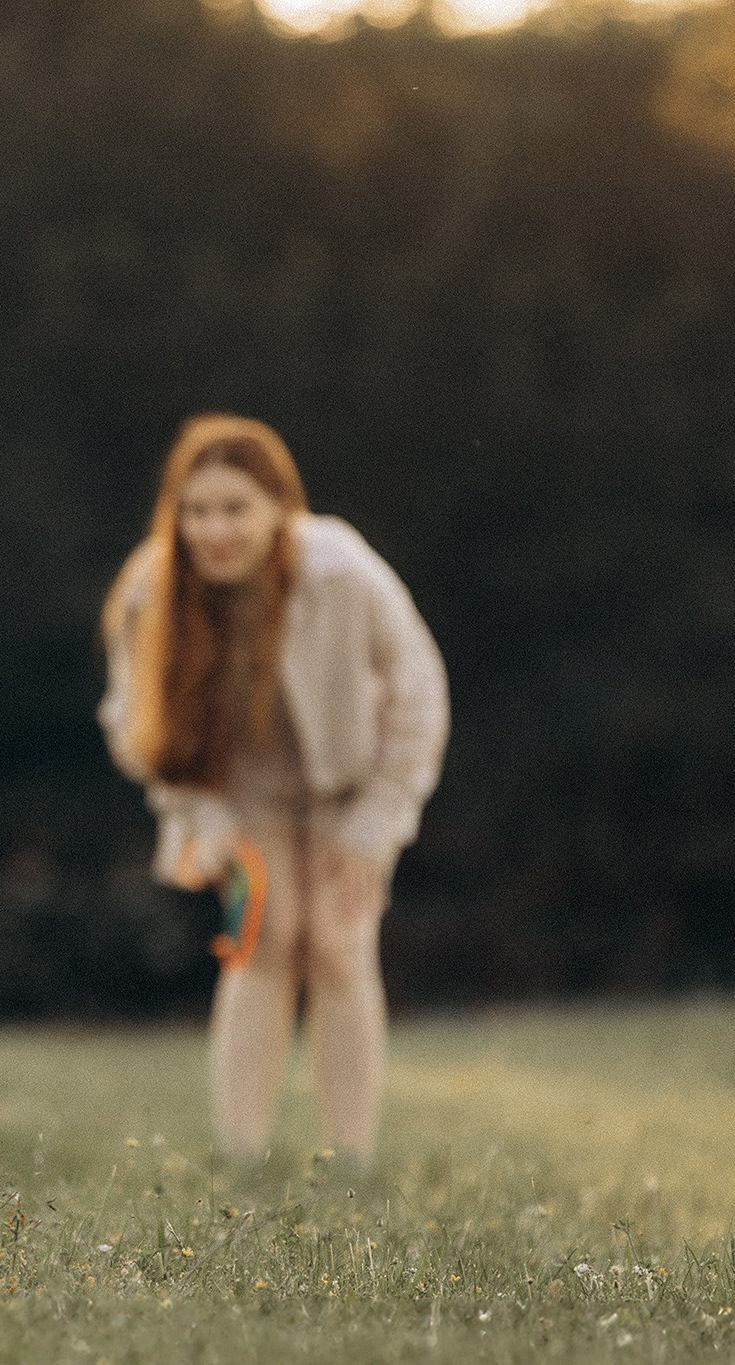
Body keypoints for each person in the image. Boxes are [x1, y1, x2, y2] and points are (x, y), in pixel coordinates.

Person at [98, 413, 448, 1164]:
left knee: (340, 941)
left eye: (234, 508)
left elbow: (420, 693)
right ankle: (243, 1157)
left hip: (350, 788)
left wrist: (377, 824)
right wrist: (203, 817)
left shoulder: (345, 571)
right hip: (236, 790)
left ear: (280, 509)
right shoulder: (154, 589)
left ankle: (351, 1159)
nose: (214, 529)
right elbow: (133, 723)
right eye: (196, 510)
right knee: (264, 936)